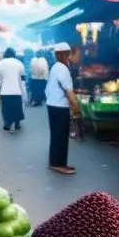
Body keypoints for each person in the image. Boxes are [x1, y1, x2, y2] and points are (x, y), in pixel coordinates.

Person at [45, 42, 81, 174]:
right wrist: (76, 109)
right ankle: (58, 164)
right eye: (68, 53)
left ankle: (56, 162)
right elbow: (69, 92)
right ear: (63, 54)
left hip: (53, 105)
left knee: (57, 135)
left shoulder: (56, 67)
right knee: (60, 136)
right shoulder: (62, 69)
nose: (69, 55)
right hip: (59, 106)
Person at [0, 47, 27, 132]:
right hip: (17, 91)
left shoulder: (0, 64)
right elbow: (23, 79)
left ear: (5, 54)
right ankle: (17, 124)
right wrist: (24, 92)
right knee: (17, 108)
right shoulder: (20, 64)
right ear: (14, 54)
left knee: (6, 109)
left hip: (5, 91)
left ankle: (7, 124)